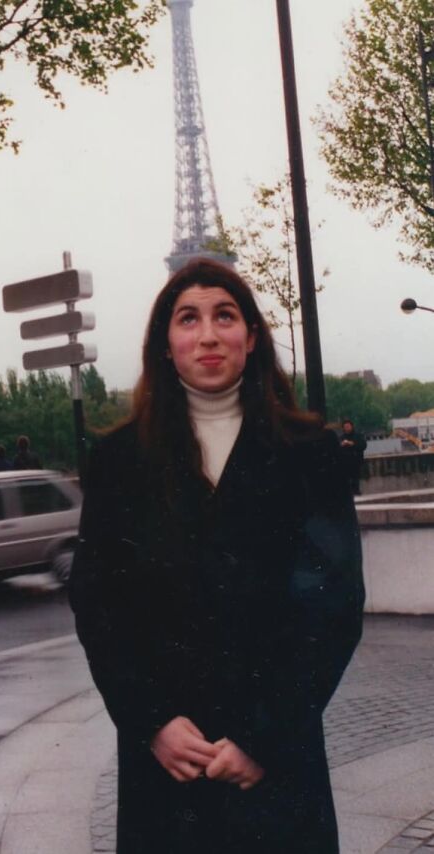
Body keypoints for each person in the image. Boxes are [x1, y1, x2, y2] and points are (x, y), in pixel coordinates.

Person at [69, 258, 364, 854]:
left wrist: (263, 737)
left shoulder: (311, 454)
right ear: (165, 343)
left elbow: (331, 607)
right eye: (188, 318)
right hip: (167, 762)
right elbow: (100, 607)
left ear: (251, 338)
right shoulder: (118, 462)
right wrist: (151, 721)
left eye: (225, 316)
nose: (207, 334)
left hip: (277, 759)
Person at [339, 419, 367, 495]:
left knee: (356, 478)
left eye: (348, 426)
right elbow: (336, 449)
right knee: (347, 479)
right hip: (345, 462)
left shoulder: (358, 436)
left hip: (356, 460)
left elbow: (363, 446)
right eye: (345, 427)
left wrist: (353, 444)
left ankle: (356, 491)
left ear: (352, 426)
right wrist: (341, 445)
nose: (347, 428)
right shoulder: (341, 437)